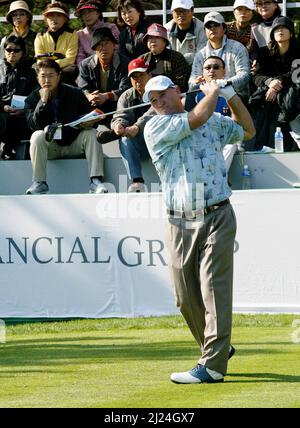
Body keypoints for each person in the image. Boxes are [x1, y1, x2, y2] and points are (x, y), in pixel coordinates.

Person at [143, 75, 255, 384]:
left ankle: (214, 366)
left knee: (213, 289)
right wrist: (215, 91)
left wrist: (230, 95)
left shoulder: (213, 120)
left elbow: (247, 129)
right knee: (184, 296)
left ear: (177, 91)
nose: (158, 103)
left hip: (217, 213)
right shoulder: (156, 127)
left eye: (163, 95)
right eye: (152, 100)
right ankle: (217, 346)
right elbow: (198, 116)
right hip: (179, 220)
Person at [24, 59, 107, 195]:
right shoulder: (32, 99)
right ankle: (39, 182)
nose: (47, 80)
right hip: (51, 148)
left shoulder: (75, 93)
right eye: (43, 76)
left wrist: (91, 121)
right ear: (38, 78)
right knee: (36, 135)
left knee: (92, 133)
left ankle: (96, 181)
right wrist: (43, 102)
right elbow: (33, 125)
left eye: (51, 75)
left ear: (59, 76)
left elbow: (91, 118)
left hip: (74, 143)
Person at [251, 16, 300, 150]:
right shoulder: (263, 52)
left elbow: (296, 74)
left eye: (284, 28)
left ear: (291, 33)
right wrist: (270, 82)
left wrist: (276, 83)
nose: (280, 31)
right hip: (269, 95)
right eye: (276, 29)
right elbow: (257, 76)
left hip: (293, 96)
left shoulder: (298, 49)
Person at [77, 27, 131, 141]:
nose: (103, 48)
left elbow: (125, 88)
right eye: (99, 44)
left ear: (114, 45)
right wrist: (89, 96)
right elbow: (82, 86)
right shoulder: (85, 64)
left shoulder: (125, 63)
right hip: (93, 106)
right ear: (94, 48)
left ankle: (115, 132)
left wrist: (106, 96)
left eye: (107, 43)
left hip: (116, 105)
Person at [185, 56, 238, 171]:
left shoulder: (231, 92)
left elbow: (236, 121)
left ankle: (217, 174)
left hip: (224, 137)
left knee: (231, 145)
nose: (211, 70)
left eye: (216, 67)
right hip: (200, 137)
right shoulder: (194, 93)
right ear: (203, 72)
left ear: (224, 71)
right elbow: (188, 120)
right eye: (207, 68)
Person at [110, 58, 154, 192]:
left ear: (149, 75)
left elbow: (156, 111)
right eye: (134, 77)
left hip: (160, 140)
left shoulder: (158, 90)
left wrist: (137, 127)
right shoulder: (126, 96)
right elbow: (120, 115)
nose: (138, 80)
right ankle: (137, 181)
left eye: (141, 75)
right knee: (124, 139)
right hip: (140, 144)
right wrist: (119, 125)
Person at [189, 11, 251, 102]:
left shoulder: (238, 48)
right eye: (209, 26)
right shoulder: (200, 54)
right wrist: (196, 82)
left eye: (216, 25)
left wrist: (224, 83)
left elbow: (244, 76)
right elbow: (191, 82)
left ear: (224, 29)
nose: (212, 28)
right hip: (207, 97)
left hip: (235, 96)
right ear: (205, 31)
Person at [0, 35, 37, 160]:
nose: (12, 53)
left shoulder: (31, 72)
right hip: (2, 111)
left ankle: (10, 149)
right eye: (9, 50)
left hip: (23, 112)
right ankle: (7, 149)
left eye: (16, 50)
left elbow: (35, 96)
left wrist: (24, 109)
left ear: (23, 52)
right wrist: (3, 106)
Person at [34, 2, 79, 85]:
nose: (54, 19)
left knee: (70, 71)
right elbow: (39, 58)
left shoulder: (72, 34)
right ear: (46, 19)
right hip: (44, 68)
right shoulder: (40, 35)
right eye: (51, 15)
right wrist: (50, 67)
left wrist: (53, 66)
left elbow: (70, 59)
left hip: (64, 68)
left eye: (58, 15)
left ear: (65, 18)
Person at [141, 23, 190, 92]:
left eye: (157, 37)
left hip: (171, 94)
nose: (153, 41)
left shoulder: (176, 57)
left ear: (165, 41)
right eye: (150, 37)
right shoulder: (142, 59)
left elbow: (180, 82)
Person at [75, 0, 120, 67]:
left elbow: (117, 48)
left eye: (90, 11)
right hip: (89, 67)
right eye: (83, 14)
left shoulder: (111, 27)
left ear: (98, 13)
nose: (87, 15)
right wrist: (83, 69)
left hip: (112, 64)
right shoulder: (80, 34)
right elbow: (80, 56)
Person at [164, 0, 206, 68]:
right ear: (172, 13)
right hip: (172, 69)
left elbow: (202, 55)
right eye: (177, 11)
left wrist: (179, 59)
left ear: (192, 11)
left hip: (196, 68)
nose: (181, 14)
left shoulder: (202, 29)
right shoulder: (166, 29)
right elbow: (165, 54)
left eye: (185, 10)